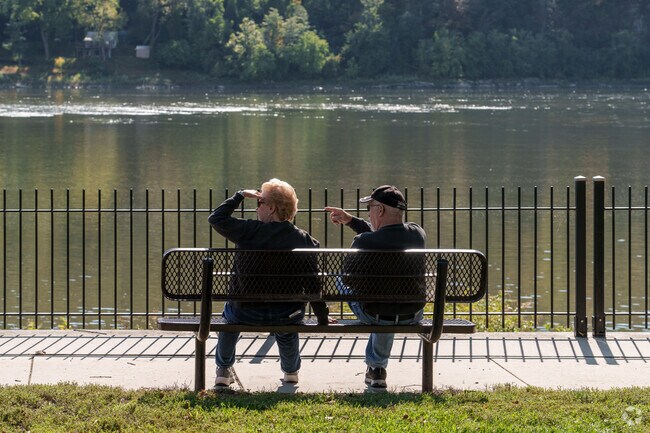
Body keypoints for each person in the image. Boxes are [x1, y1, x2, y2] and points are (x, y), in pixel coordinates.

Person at [208, 178, 329, 387]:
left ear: (271, 208)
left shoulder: (249, 231)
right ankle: (291, 371)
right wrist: (322, 317)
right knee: (289, 318)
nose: (256, 209)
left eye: (259, 202)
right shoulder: (304, 240)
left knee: (229, 316)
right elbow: (313, 285)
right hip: (285, 314)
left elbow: (216, 218)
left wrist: (239, 196)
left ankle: (223, 370)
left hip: (245, 312)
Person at [325, 185, 426, 388]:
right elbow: (385, 234)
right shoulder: (417, 233)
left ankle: (377, 367)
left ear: (379, 210)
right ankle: (376, 368)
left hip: (374, 313)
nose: (368, 213)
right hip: (412, 312)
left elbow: (347, 279)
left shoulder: (364, 241)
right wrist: (352, 221)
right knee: (387, 301)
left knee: (342, 281)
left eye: (370, 207)